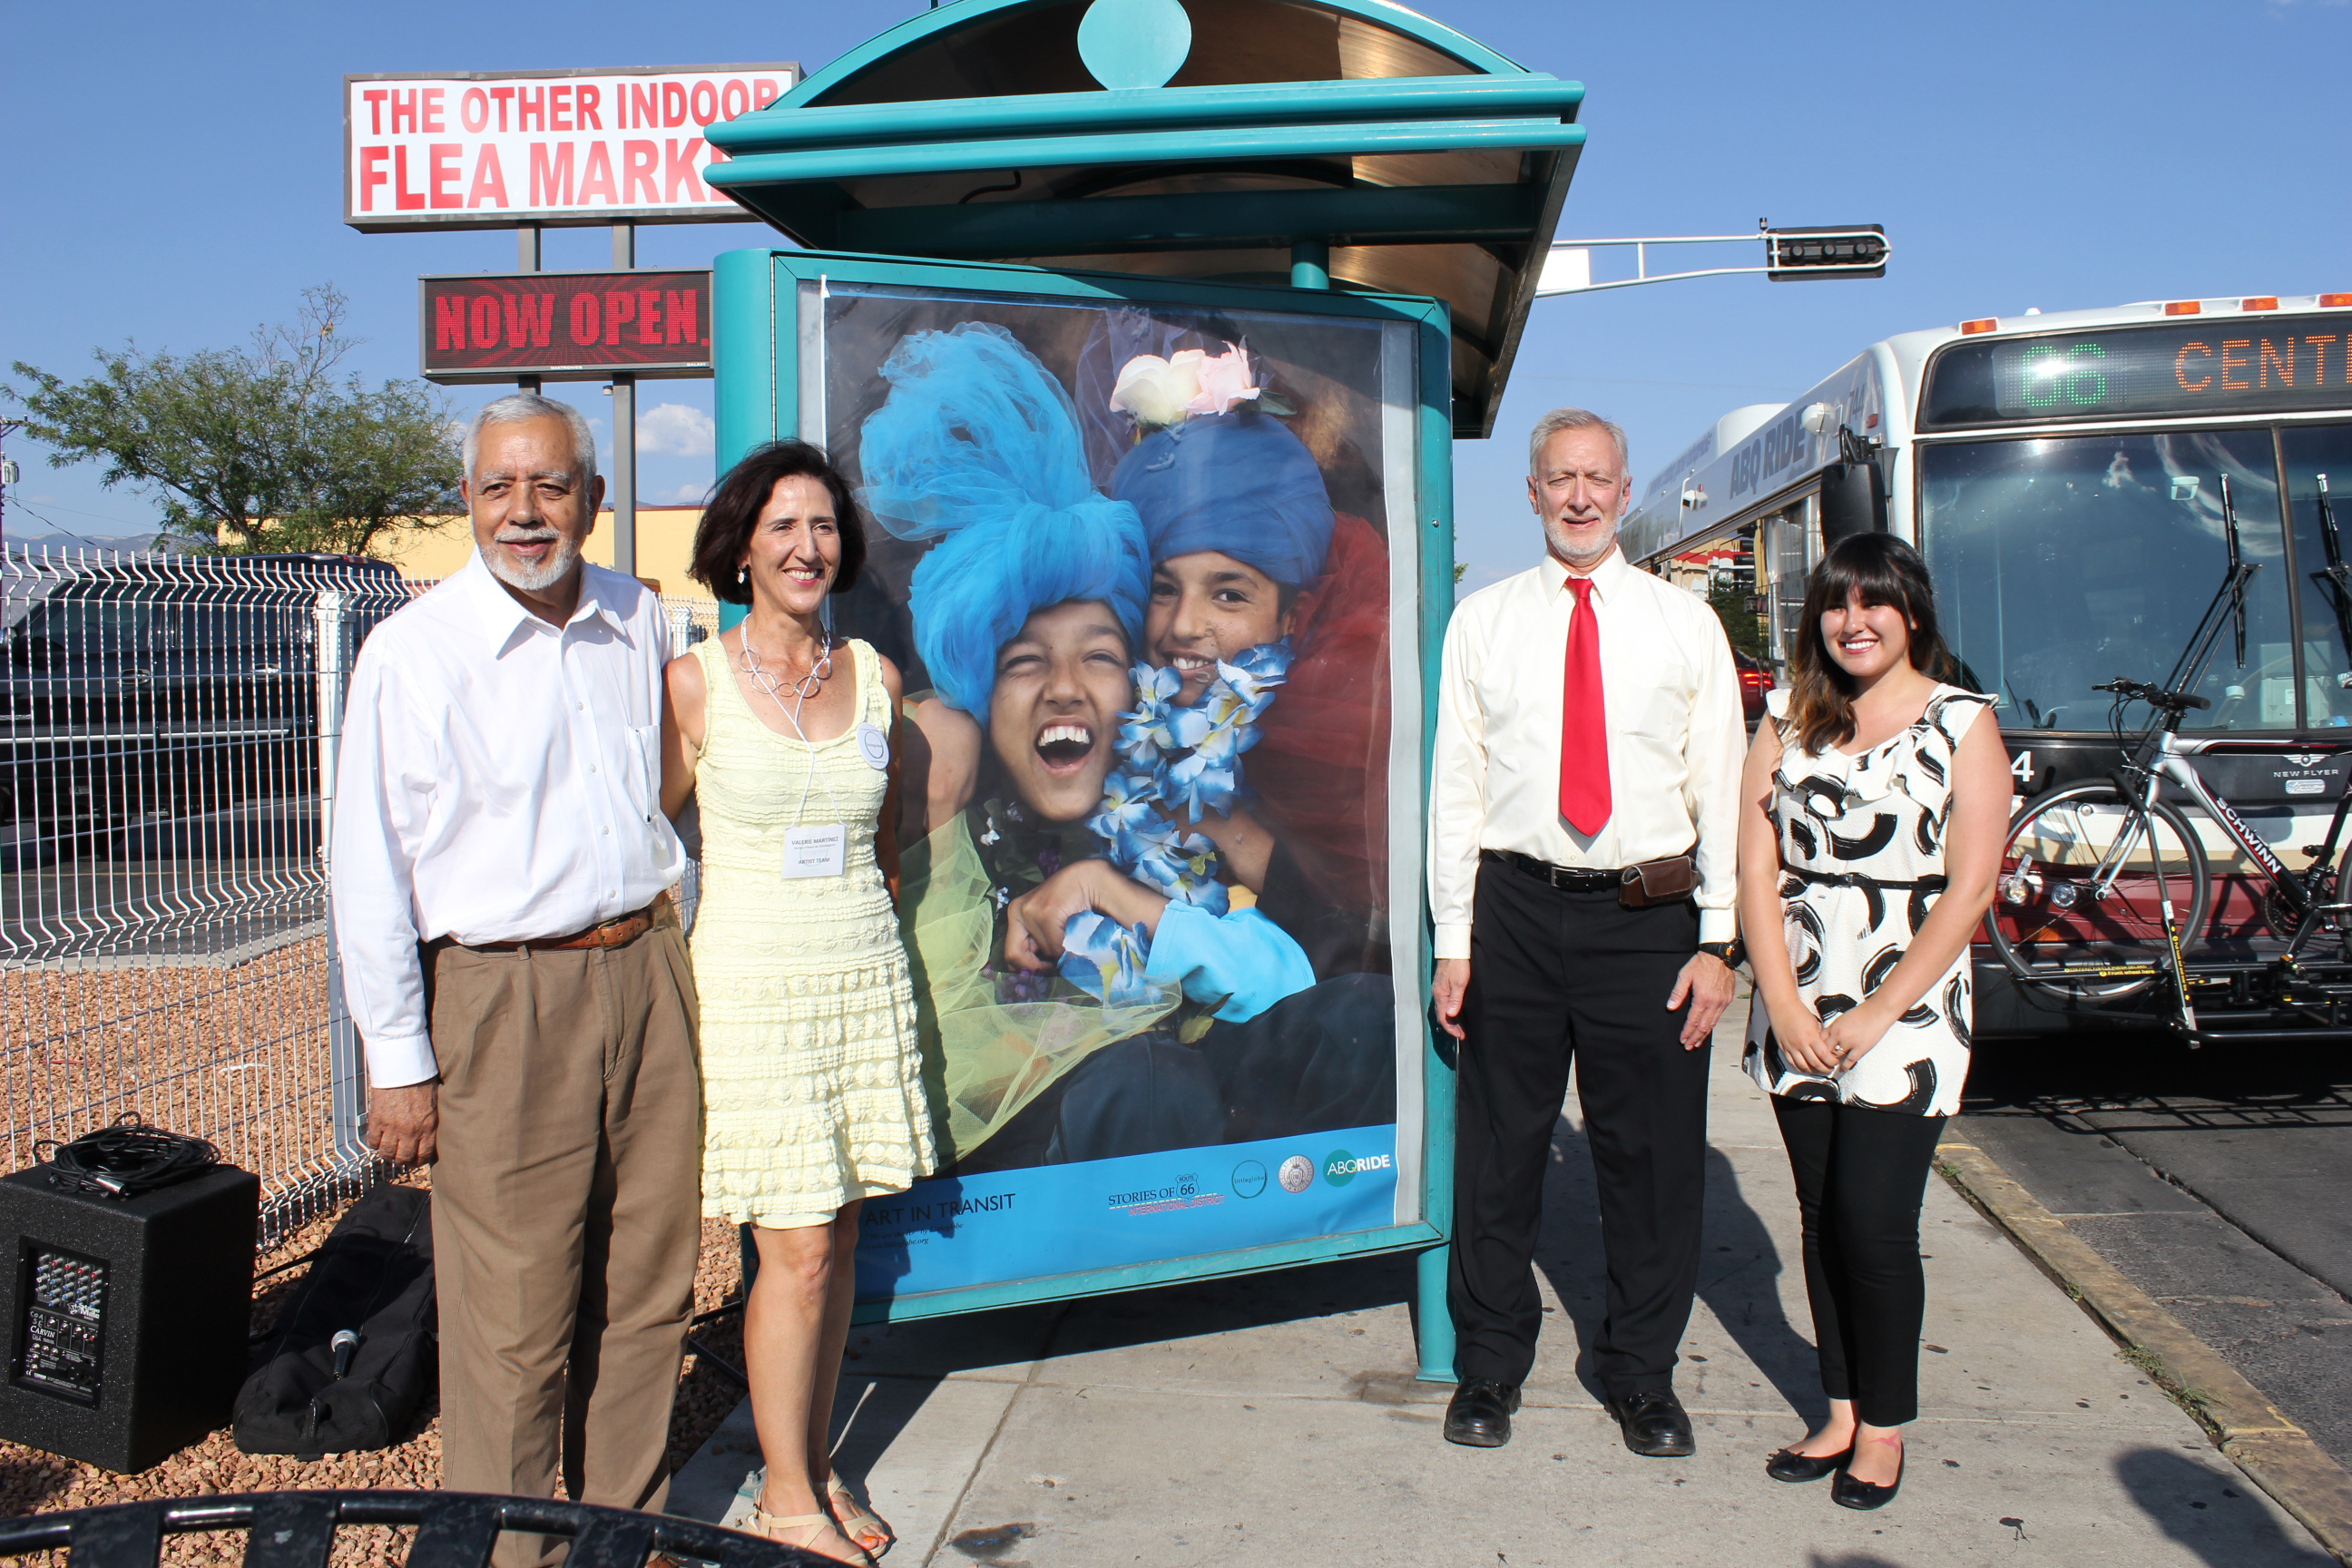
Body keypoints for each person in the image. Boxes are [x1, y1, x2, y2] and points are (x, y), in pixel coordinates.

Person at [861, 321, 1391, 1171]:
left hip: (1208, 1143)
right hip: (1041, 1180)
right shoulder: (962, 795)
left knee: (1350, 1023)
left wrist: (1115, 889)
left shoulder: (1187, 773)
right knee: (1143, 1085)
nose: (1066, 687)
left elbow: (1292, 977)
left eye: (1099, 658)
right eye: (1026, 663)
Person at [330, 393, 698, 1567]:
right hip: (502, 1000)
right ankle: (508, 1551)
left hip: (644, 970)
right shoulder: (414, 655)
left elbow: (666, 790)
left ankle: (614, 1536)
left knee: (645, 1288)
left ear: (592, 500)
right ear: (468, 501)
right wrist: (399, 1063)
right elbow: (368, 868)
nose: (525, 512)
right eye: (500, 487)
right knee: (513, 1323)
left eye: (550, 487)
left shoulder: (640, 617)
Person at [1427, 407, 1745, 1457]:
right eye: (1558, 477)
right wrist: (1454, 940)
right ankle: (1489, 1368)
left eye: (1596, 478)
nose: (1577, 495)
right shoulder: (1483, 621)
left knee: (1651, 1164)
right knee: (1499, 1156)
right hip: (1514, 909)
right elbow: (1457, 790)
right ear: (1531, 493)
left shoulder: (1684, 625)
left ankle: (1639, 1374)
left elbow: (1723, 787)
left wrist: (1719, 941)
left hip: (1648, 919)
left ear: (1623, 490)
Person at [658, 441, 931, 1563]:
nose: (806, 547)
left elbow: (885, 843)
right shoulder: (694, 683)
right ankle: (783, 1498)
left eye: (821, 527)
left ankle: (811, 1463)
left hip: (860, 972)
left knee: (844, 1233)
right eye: (782, 528)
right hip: (756, 988)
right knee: (799, 1250)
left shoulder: (875, 677)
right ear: (740, 547)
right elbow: (651, 841)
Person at [1735, 533, 2004, 1510]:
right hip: (1801, 998)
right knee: (1817, 1217)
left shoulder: (1962, 723)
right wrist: (1781, 1000)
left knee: (1875, 1222)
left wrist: (1884, 1009)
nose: (1854, 623)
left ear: (1913, 615)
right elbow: (1755, 869)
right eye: (1837, 606)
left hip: (1910, 1005)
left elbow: (1971, 886)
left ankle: (1884, 1428)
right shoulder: (1787, 718)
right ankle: (1841, 1408)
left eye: (1875, 604)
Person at [1106, 358, 1393, 979]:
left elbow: (1366, 962)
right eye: (1162, 589)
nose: (1185, 625)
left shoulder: (1326, 752)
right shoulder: (1093, 724)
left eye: (1229, 595)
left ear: (1292, 616)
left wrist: (1223, 825)